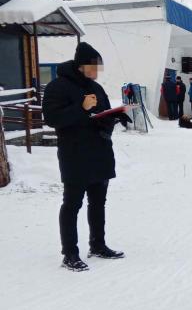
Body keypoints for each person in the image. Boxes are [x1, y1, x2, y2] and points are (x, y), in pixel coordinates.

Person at [42, 42, 129, 271]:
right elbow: (52, 118)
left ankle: (98, 245)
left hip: (99, 152)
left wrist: (116, 117)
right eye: (94, 66)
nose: (97, 72)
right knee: (72, 204)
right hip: (75, 155)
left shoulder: (96, 88)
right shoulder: (57, 87)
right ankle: (69, 253)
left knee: (98, 202)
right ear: (82, 65)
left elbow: (101, 114)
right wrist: (80, 108)